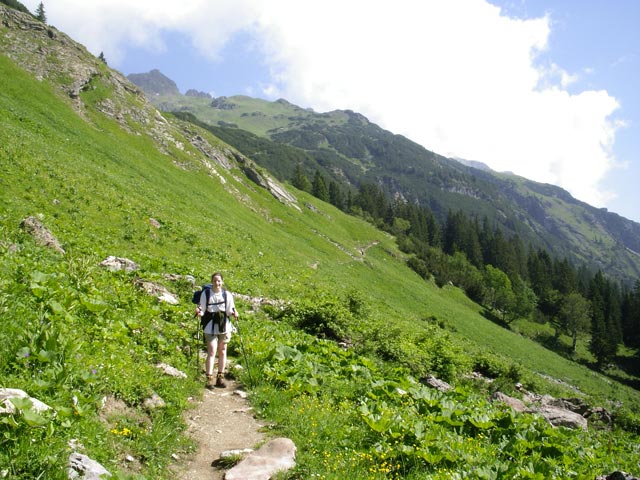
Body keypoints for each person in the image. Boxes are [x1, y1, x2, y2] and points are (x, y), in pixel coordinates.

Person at [195, 272, 238, 389]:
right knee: (212, 351)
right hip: (209, 325)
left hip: (224, 325)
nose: (217, 283)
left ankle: (220, 377)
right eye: (215, 281)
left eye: (219, 281)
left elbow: (229, 310)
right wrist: (199, 312)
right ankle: (209, 378)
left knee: (223, 350)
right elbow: (203, 309)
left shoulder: (227, 294)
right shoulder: (206, 293)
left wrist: (234, 313)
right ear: (212, 282)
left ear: (222, 282)